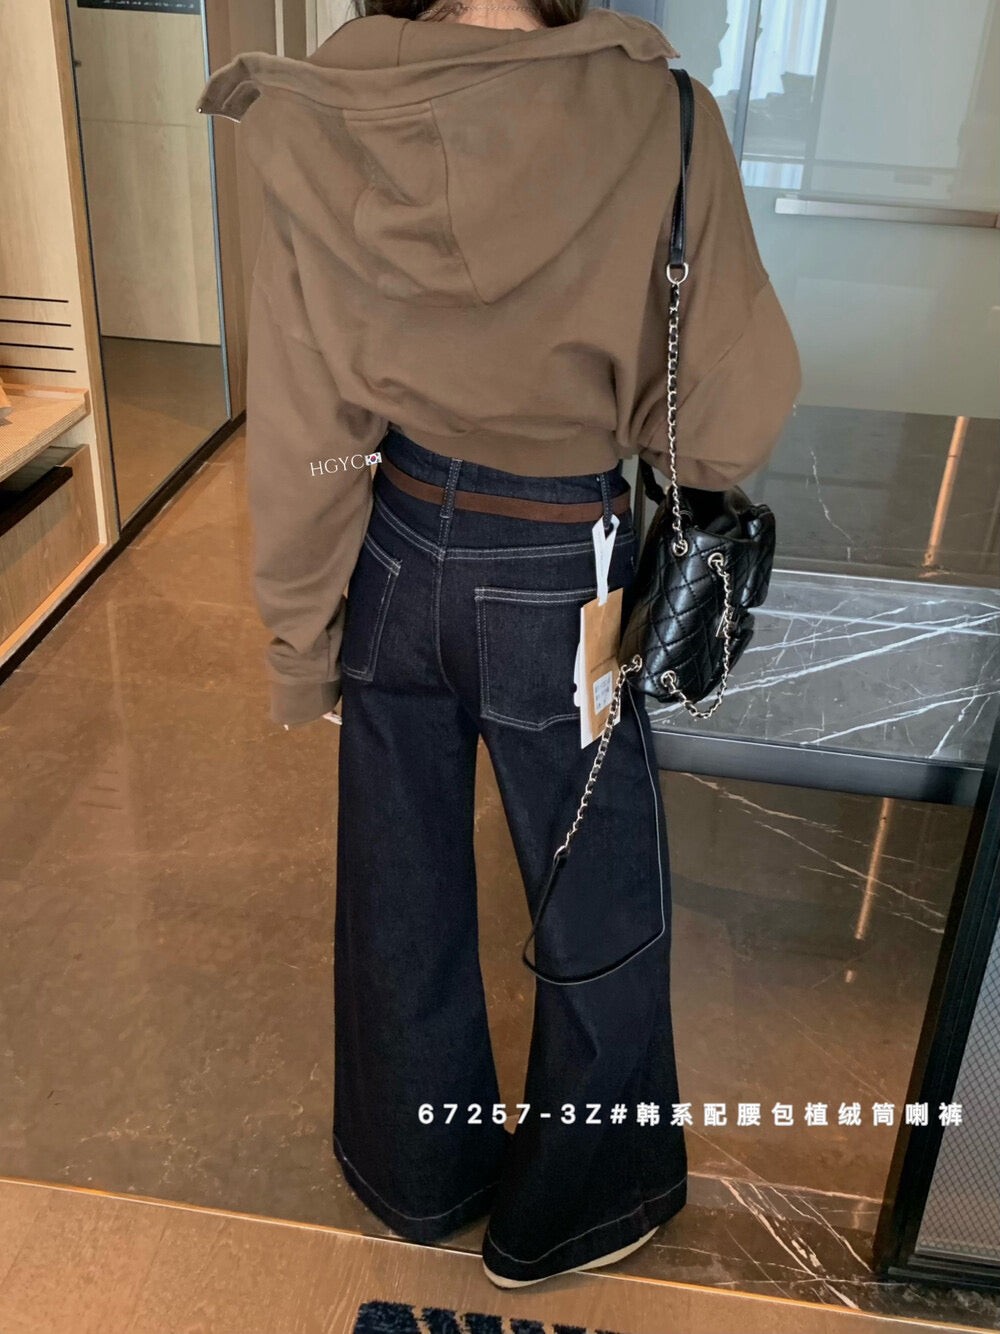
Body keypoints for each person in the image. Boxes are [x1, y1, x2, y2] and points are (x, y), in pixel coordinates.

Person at [196, 0, 801, 1289]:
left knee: (399, 881)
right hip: (563, 563)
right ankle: (575, 1208)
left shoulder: (332, 110)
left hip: (394, 545)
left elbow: (311, 423)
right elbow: (723, 415)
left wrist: (304, 634)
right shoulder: (662, 116)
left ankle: (418, 1175)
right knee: (597, 886)